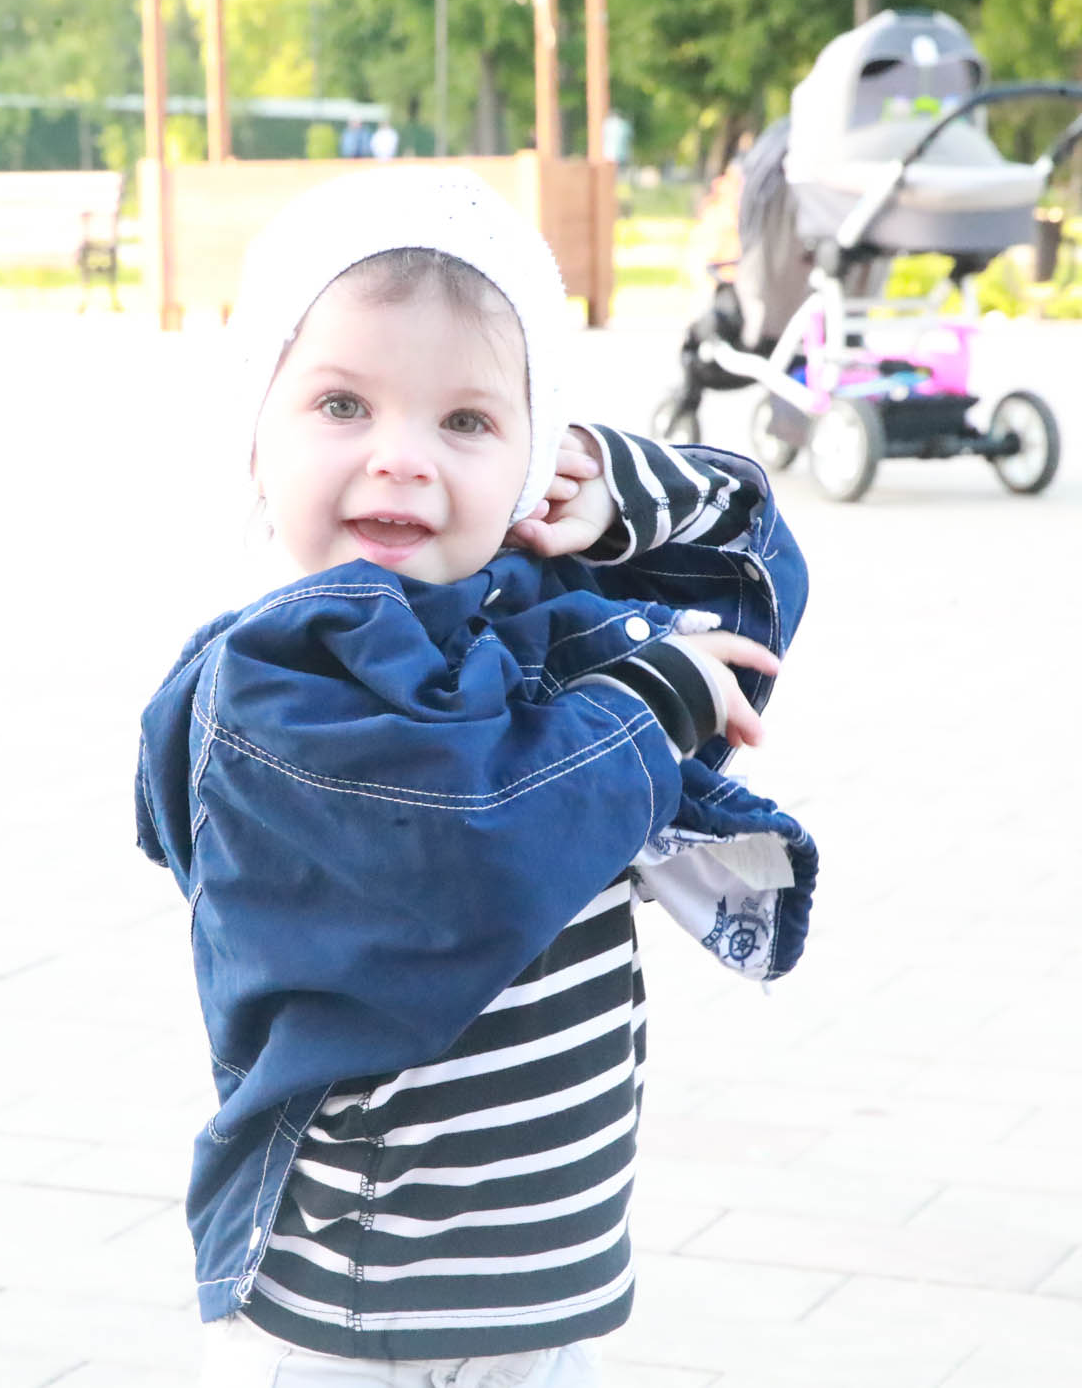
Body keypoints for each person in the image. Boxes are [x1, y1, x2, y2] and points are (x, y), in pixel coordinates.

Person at [135, 169, 818, 1385]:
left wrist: (609, 491)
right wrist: (644, 704)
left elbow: (748, 578)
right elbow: (476, 842)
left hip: (536, 1289)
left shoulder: (520, 609)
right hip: (350, 1295)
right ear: (254, 433)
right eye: (341, 404)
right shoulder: (277, 684)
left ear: (527, 458)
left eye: (466, 422)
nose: (400, 459)